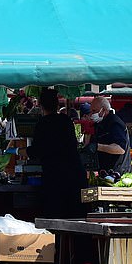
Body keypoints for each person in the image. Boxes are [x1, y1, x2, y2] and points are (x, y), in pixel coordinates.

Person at [27, 88, 87, 219]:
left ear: (41, 106)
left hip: (56, 178)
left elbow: (37, 151)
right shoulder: (66, 121)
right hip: (75, 176)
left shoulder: (42, 124)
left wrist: (22, 151)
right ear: (57, 105)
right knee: (75, 219)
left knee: (56, 219)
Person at [87, 96, 131, 174]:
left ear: (103, 110)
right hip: (104, 171)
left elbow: (120, 149)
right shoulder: (100, 123)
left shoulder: (114, 123)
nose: (92, 114)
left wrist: (97, 147)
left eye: (94, 111)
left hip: (117, 172)